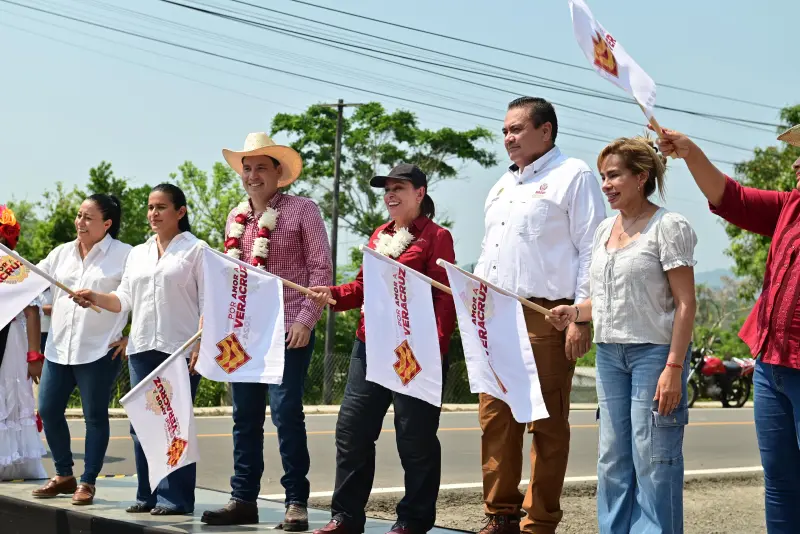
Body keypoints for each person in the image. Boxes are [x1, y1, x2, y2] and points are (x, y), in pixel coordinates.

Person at [654, 124, 800, 533]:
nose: (796, 162)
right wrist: (690, 152)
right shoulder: (792, 205)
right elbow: (729, 198)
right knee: (781, 483)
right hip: (771, 366)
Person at [548, 136, 697, 533]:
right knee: (612, 458)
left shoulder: (669, 227)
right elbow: (605, 300)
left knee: (653, 457)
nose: (606, 184)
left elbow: (686, 303)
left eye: (614, 175)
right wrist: (576, 312)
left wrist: (674, 367)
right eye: (602, 177)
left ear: (641, 176)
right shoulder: (602, 231)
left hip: (654, 354)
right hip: (610, 355)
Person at [472, 97, 605, 534]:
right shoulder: (501, 186)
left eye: (516, 129)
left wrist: (582, 317)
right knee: (496, 418)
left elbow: (593, 248)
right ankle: (501, 514)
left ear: (545, 131)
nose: (507, 137)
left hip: (547, 314)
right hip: (495, 314)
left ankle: (540, 520)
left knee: (546, 423)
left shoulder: (575, 176)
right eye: (505, 130)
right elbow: (490, 253)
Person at [308, 163, 457, 534]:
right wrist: (334, 295)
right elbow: (363, 287)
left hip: (415, 351)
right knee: (352, 431)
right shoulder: (379, 235)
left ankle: (413, 519)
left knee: (415, 437)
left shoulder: (437, 237)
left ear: (420, 193)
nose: (390, 195)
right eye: (386, 189)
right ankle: (345, 517)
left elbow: (445, 298)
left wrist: (433, 350)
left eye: (399, 188)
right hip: (371, 345)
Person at [197, 132, 332, 527]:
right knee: (244, 416)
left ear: (279, 172)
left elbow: (321, 271)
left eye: (261, 167)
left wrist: (306, 320)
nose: (253, 175)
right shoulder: (236, 218)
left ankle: (296, 502)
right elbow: (232, 279)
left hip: (289, 328)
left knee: (286, 413)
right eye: (247, 168)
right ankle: (243, 499)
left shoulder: (303, 210)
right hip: (245, 333)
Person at [74, 184, 206, 515]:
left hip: (179, 347)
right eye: (150, 207)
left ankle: (175, 498)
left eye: (161, 207)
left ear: (180, 212)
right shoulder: (139, 252)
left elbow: (210, 301)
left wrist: (201, 342)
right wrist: (96, 297)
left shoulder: (196, 250)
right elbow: (124, 299)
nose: (153, 213)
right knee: (142, 424)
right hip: (142, 346)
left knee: (174, 424)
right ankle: (147, 494)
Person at [31, 194, 131, 505]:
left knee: (95, 417)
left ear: (107, 223)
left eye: (88, 217)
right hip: (60, 348)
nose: (80, 222)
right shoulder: (61, 253)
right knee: (48, 410)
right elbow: (32, 280)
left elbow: (137, 297)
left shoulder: (125, 255)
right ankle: (64, 475)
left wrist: (130, 338)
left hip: (99, 351)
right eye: (79, 216)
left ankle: (87, 481)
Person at [0, 205, 47, 481]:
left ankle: (14, 463)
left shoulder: (10, 262)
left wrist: (33, 355)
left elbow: (31, 309)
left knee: (10, 395)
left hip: (10, 341)